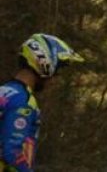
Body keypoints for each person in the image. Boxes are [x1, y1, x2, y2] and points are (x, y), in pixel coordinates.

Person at [1, 34, 84, 172]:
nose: (55, 79)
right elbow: (12, 152)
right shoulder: (24, 101)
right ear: (44, 64)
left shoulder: (5, 91)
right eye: (56, 73)